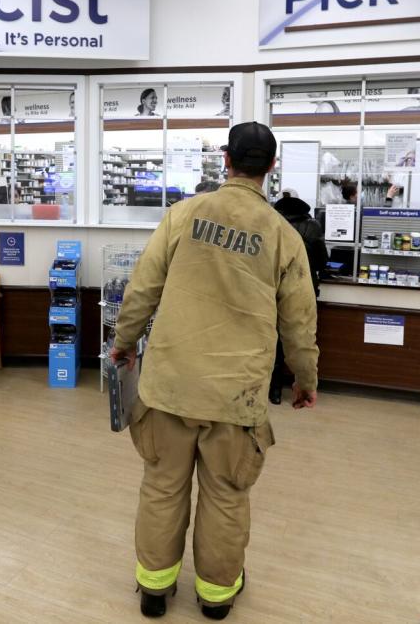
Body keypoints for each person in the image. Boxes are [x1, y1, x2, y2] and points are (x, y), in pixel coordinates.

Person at [110, 121, 319, 620]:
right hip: (236, 396)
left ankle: (155, 589)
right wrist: (304, 380)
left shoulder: (183, 215)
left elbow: (142, 289)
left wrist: (123, 343)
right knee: (226, 497)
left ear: (225, 159)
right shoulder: (284, 236)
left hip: (169, 387)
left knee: (162, 487)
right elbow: (300, 321)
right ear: (270, 166)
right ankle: (216, 597)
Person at [269, 192, 328, 404]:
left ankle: (273, 391)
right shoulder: (312, 226)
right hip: (303, 287)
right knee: (300, 337)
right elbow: (322, 260)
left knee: (271, 339)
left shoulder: (270, 224)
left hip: (270, 289)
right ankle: (302, 384)